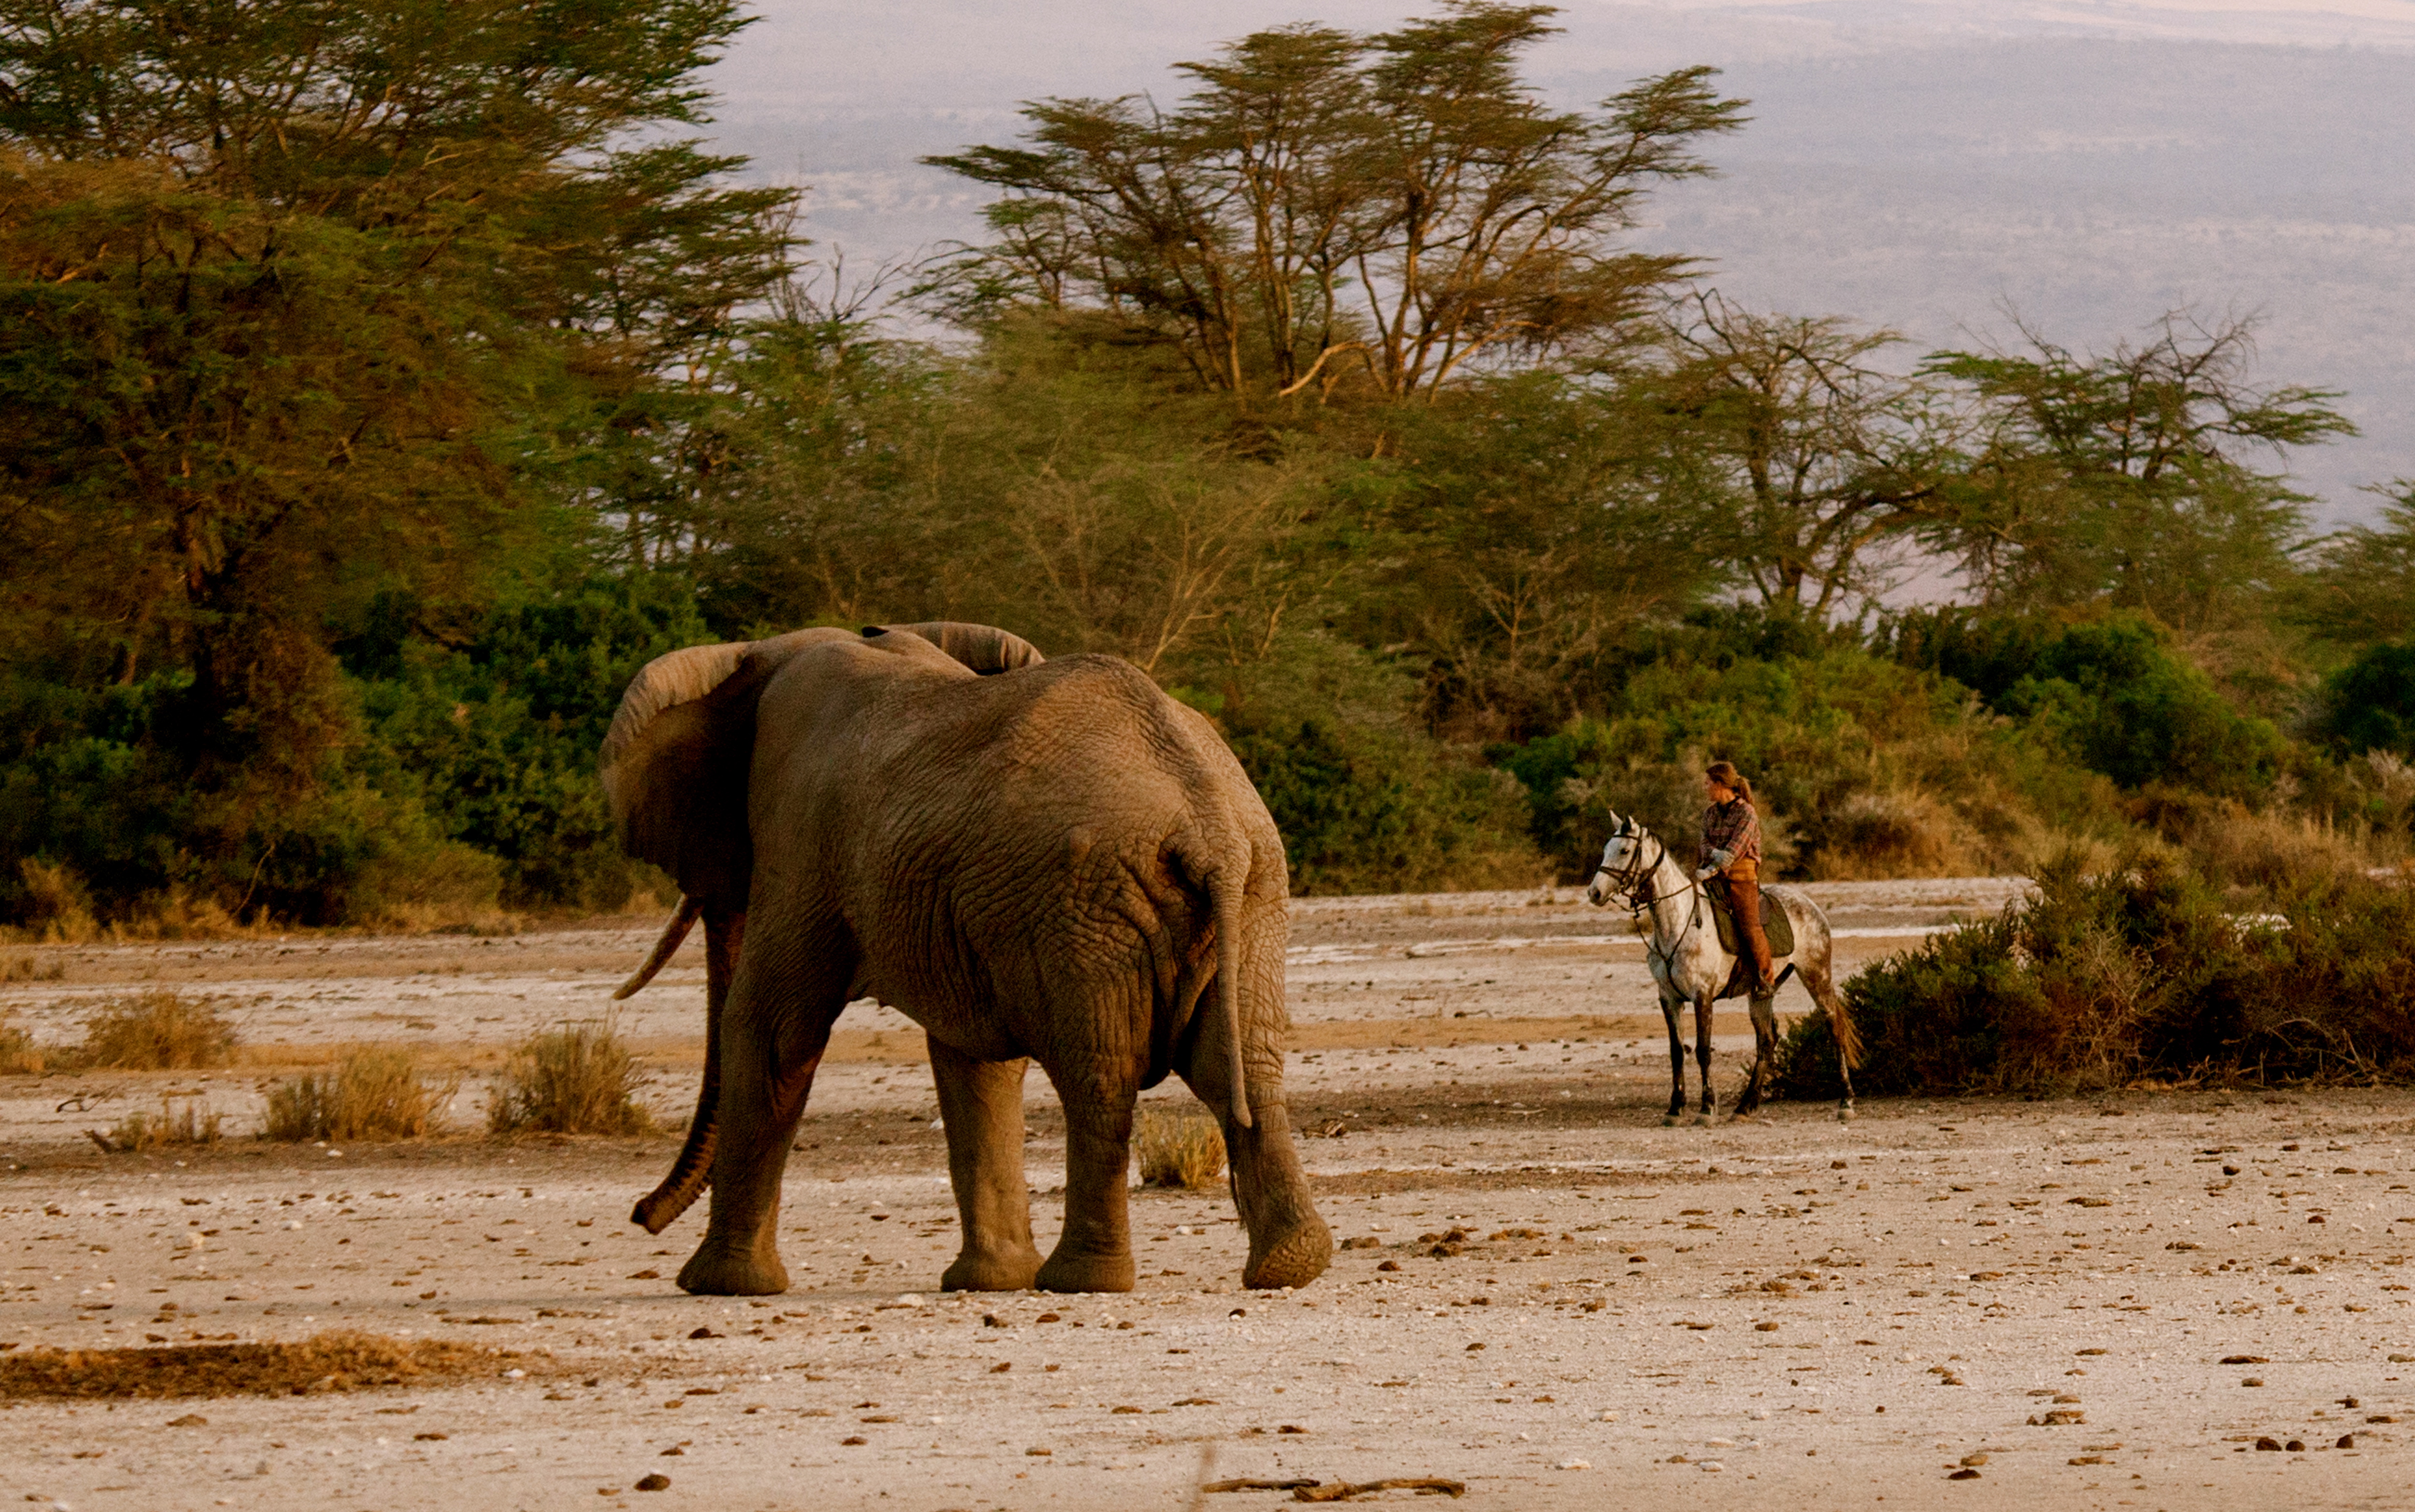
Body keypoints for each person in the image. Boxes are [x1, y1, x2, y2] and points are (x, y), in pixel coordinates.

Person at [1695, 760, 1774, 993]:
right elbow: (1704, 844)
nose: (1705, 787)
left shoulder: (1747, 813)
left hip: (1741, 879)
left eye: (1708, 783)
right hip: (1711, 875)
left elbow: (1734, 853)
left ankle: (1765, 979)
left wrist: (1712, 867)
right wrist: (1713, 857)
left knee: (1750, 926)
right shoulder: (1710, 814)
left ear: (1720, 784)